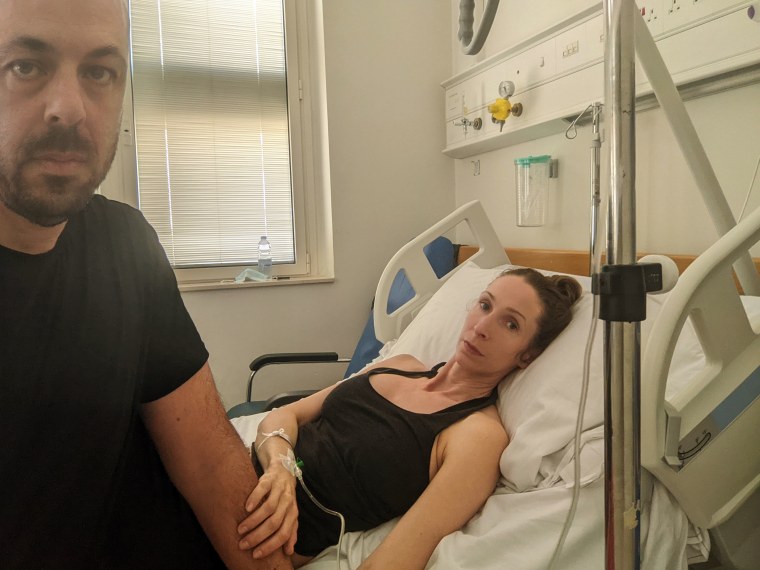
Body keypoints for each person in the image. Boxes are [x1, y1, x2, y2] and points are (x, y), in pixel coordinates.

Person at [0, 0, 290, 568]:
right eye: (25, 66)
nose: (68, 109)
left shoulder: (125, 244)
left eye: (99, 72)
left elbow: (210, 464)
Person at [236, 268, 583, 568]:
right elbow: (285, 415)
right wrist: (281, 469)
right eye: (485, 305)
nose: (482, 327)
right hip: (245, 469)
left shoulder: (477, 435)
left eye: (510, 324)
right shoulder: (400, 365)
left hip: (258, 535)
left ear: (527, 355)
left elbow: (395, 560)